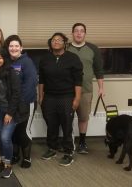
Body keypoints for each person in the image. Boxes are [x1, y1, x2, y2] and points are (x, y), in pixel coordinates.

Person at [39, 32, 83, 167]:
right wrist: (41, 96)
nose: (56, 42)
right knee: (51, 125)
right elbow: (41, 80)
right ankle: (52, 148)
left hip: (67, 97)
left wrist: (77, 99)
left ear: (65, 43)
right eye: (53, 40)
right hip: (49, 97)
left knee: (67, 126)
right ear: (50, 43)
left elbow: (78, 81)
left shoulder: (73, 58)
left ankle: (68, 152)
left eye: (59, 40)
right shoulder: (45, 59)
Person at [67, 23, 104, 154]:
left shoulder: (93, 48)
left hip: (86, 90)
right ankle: (67, 142)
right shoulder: (65, 48)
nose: (78, 33)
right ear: (72, 33)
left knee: (83, 118)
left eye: (81, 31)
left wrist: (101, 88)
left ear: (85, 34)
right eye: (76, 31)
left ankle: (82, 142)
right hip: (67, 91)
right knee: (66, 118)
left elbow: (99, 70)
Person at [0, 47, 21, 178]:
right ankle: (3, 160)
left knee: (5, 138)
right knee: (0, 136)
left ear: (4, 59)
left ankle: (8, 165)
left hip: (10, 111)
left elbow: (17, 94)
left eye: (0, 57)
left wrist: (10, 113)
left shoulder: (11, 72)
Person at [4, 35, 37, 168]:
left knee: (24, 131)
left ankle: (27, 158)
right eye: (11, 46)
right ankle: (16, 155)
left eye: (16, 46)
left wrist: (20, 103)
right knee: (15, 132)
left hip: (26, 103)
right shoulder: (8, 62)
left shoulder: (26, 62)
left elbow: (31, 84)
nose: (14, 48)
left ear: (21, 48)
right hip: (13, 105)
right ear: (8, 48)